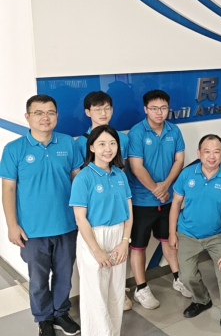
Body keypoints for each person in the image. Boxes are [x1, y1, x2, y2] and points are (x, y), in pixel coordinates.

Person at [0, 95, 82, 336]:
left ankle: (61, 313)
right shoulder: (14, 149)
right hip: (32, 230)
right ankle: (43, 318)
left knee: (64, 276)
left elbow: (78, 181)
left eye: (50, 112)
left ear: (57, 116)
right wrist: (12, 225)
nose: (45, 118)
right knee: (38, 279)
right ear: (28, 117)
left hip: (67, 224)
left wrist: (82, 218)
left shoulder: (68, 143)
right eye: (38, 113)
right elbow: (8, 189)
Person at [168, 135, 221, 336]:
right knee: (186, 276)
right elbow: (175, 203)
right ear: (199, 153)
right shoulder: (187, 174)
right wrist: (172, 233)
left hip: (218, 236)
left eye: (216, 151)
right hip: (188, 234)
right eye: (207, 151)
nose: (212, 156)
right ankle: (201, 300)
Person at [127, 90, 189, 309]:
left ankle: (178, 278)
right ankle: (141, 288)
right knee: (138, 246)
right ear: (146, 109)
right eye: (154, 108)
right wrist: (156, 189)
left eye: (163, 108)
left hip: (168, 198)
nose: (159, 112)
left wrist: (165, 185)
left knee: (169, 239)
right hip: (142, 200)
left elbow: (179, 160)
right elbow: (136, 166)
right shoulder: (136, 132)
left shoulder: (174, 130)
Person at [70, 125, 133, 336]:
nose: (108, 149)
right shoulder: (84, 177)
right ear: (92, 147)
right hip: (93, 237)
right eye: (102, 144)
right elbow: (80, 219)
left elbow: (129, 212)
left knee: (116, 292)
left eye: (113, 143)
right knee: (95, 296)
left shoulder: (120, 175)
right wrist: (96, 251)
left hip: (118, 236)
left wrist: (124, 241)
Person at [75, 91, 130, 164]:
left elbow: (122, 166)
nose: (103, 113)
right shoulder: (79, 143)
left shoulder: (123, 138)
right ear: (87, 112)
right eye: (98, 110)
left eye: (107, 108)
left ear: (112, 110)